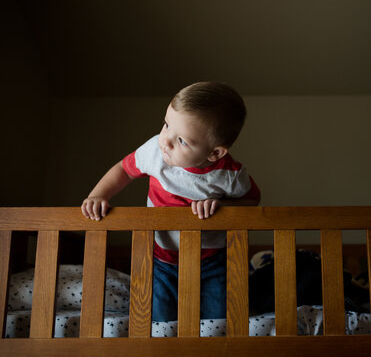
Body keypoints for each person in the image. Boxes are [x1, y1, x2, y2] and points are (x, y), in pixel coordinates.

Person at [81, 81, 261, 321]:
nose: (165, 140)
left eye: (182, 141)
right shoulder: (155, 152)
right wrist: (98, 195)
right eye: (166, 125)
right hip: (161, 259)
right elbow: (125, 170)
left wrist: (223, 206)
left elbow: (252, 201)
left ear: (215, 153)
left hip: (212, 261)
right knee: (160, 320)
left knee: (217, 321)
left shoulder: (230, 175)